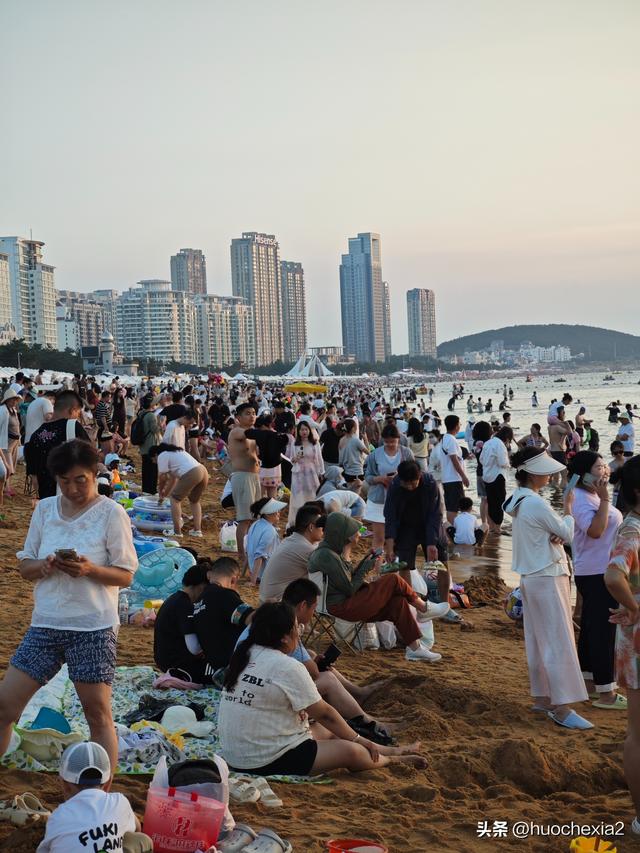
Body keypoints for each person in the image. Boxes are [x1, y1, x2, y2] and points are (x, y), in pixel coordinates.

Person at [0, 440, 138, 775]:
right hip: (46, 624)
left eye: (80, 480)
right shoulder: (45, 509)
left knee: (97, 714)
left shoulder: (111, 513)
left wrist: (89, 570)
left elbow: (125, 575)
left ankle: (101, 794)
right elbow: (25, 567)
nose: (73, 488)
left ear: (94, 474)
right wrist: (45, 566)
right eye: (64, 481)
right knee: (5, 707)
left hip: (93, 628)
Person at [219, 602, 427, 776]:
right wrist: (360, 740)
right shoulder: (287, 666)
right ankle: (390, 760)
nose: (300, 633)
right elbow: (325, 713)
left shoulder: (245, 654)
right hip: (265, 759)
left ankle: (388, 750)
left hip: (236, 753)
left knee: (328, 731)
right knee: (351, 751)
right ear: (284, 637)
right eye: (297, 628)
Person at [503, 447, 592, 730]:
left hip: (533, 576)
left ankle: (543, 698)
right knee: (558, 640)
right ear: (533, 474)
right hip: (547, 574)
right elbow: (567, 534)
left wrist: (556, 530)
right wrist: (568, 510)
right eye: (545, 472)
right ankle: (562, 708)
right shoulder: (535, 503)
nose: (550, 476)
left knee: (539, 639)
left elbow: (553, 532)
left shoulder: (518, 499)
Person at [308, 513, 448, 663]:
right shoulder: (327, 556)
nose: (359, 535)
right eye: (355, 532)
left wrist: (364, 561)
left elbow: (346, 581)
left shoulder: (329, 552)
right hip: (342, 607)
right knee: (393, 579)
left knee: (398, 603)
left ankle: (415, 649)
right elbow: (349, 589)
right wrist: (367, 567)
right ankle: (423, 608)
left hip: (344, 603)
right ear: (343, 535)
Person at [567, 451, 624, 708]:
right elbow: (595, 531)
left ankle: (589, 683)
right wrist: (605, 500)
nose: (605, 470)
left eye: (604, 466)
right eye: (599, 467)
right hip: (595, 572)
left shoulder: (590, 495)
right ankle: (606, 693)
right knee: (604, 631)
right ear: (584, 474)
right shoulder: (581, 498)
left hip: (597, 570)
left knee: (592, 629)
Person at [604, 457, 640, 836]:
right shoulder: (632, 529)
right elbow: (614, 576)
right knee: (638, 734)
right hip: (638, 640)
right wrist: (634, 606)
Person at [36, 742, 150, 853]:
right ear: (108, 782)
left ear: (64, 784)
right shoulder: (119, 802)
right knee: (142, 840)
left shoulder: (58, 817)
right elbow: (137, 828)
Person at [190, 557, 254, 673]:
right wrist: (270, 608)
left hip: (216, 667)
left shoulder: (199, 600)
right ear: (234, 580)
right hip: (237, 666)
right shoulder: (224, 595)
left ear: (209, 575)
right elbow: (253, 619)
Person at [383, 460, 443, 582]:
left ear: (419, 476)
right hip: (405, 527)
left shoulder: (430, 483)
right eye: (406, 484)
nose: (410, 487)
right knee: (404, 565)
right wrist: (389, 546)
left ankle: (444, 594)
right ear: (400, 479)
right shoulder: (395, 485)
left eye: (413, 483)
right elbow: (390, 516)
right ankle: (408, 593)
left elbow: (435, 514)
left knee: (441, 563)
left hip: (428, 523)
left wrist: (432, 543)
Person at [25, 391, 90, 500]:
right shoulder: (73, 426)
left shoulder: (36, 435)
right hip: (70, 496)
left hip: (47, 499)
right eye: (78, 413)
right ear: (72, 410)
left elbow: (34, 478)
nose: (77, 417)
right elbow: (90, 456)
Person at [153, 563, 209, 682]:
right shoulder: (185, 605)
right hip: (177, 665)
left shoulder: (174, 598)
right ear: (200, 586)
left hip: (164, 659)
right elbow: (194, 648)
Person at [259, 504, 326, 603]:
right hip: (277, 605)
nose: (323, 530)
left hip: (266, 600)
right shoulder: (305, 549)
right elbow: (332, 569)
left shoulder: (292, 539)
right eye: (321, 526)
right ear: (311, 527)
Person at [363, 425, 414, 549]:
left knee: (399, 536)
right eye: (387, 442)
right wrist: (380, 479)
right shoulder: (375, 454)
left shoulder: (406, 453)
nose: (390, 444)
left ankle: (396, 559)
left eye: (393, 441)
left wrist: (400, 477)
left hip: (401, 498)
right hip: (379, 499)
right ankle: (377, 561)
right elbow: (368, 476)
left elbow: (415, 473)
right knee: (379, 537)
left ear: (398, 439)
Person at [149, 442, 209, 538]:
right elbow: (173, 480)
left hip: (193, 473)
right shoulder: (174, 453)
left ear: (155, 455)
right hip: (203, 471)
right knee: (194, 501)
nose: (153, 462)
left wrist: (160, 492)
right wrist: (164, 495)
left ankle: (177, 532)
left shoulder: (162, 455)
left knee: (175, 500)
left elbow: (162, 478)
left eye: (153, 459)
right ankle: (197, 531)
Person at [228, 403, 261, 564]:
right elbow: (248, 434)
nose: (252, 416)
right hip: (242, 476)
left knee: (255, 517)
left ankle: (251, 550)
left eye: (254, 413)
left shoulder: (253, 434)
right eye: (247, 413)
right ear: (238, 417)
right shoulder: (237, 431)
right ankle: (241, 554)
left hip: (254, 476)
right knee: (244, 518)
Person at [288, 421, 325, 526]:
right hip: (298, 474)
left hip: (311, 473)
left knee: (312, 495)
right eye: (301, 430)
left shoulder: (314, 443)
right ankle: (298, 521)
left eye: (306, 429)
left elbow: (319, 458)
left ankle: (313, 519)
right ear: (298, 431)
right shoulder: (295, 444)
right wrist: (296, 458)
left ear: (309, 430)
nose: (304, 432)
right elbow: (291, 459)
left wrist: (321, 472)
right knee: (299, 497)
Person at [246, 413, 288, 498]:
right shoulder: (277, 434)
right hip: (276, 469)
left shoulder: (258, 435)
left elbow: (256, 451)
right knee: (272, 495)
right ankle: (273, 507)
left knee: (260, 494)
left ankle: (261, 507)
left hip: (263, 467)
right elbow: (283, 450)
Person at [480, 426, 513, 533]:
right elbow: (503, 462)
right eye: (509, 440)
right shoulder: (500, 445)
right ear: (507, 438)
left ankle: (493, 526)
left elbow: (481, 459)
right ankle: (497, 527)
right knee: (499, 502)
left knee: (491, 502)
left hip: (487, 476)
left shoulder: (488, 443)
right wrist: (509, 464)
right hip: (497, 476)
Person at [246, 497, 287, 585]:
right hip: (266, 575)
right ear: (268, 514)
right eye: (276, 511)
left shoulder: (255, 524)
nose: (279, 513)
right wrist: (253, 581)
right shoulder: (269, 530)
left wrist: (248, 571)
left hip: (257, 573)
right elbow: (259, 556)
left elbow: (249, 549)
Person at [441, 415, 469, 524]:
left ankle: (453, 529)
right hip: (453, 478)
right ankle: (453, 530)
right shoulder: (451, 439)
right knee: (454, 507)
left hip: (448, 477)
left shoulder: (446, 438)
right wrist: (464, 476)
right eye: (459, 424)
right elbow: (454, 459)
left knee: (452, 506)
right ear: (456, 426)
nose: (460, 426)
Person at [134, 394, 162, 494]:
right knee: (153, 469)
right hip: (151, 445)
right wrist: (161, 423)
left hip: (143, 445)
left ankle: (145, 489)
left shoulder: (141, 413)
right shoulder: (151, 415)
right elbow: (155, 430)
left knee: (145, 468)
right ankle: (151, 490)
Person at [338, 418, 368, 490]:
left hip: (346, 472)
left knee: (349, 492)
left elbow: (340, 459)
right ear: (353, 428)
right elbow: (368, 452)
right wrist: (365, 439)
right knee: (357, 494)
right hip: (357, 471)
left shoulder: (341, 440)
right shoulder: (355, 440)